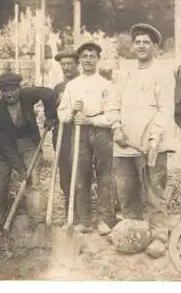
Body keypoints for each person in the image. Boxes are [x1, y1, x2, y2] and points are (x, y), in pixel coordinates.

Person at [109, 23, 176, 258]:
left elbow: (166, 108)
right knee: (126, 190)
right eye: (137, 42)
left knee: (154, 191)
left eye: (146, 42)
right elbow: (113, 104)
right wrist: (116, 128)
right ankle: (132, 233)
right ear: (132, 45)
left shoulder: (163, 72)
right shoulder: (124, 72)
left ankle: (159, 236)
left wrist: (154, 137)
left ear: (154, 46)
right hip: (124, 143)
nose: (141, 46)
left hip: (152, 143)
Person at [0, 72, 56, 233]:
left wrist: (50, 116)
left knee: (32, 178)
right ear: (0, 92)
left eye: (12, 90)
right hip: (2, 148)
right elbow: (6, 146)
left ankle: (37, 220)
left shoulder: (27, 95)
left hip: (27, 141)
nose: (9, 94)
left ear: (18, 89)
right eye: (5, 91)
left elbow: (49, 94)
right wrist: (19, 168)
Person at [57, 42, 116, 235]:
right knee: (80, 176)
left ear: (98, 59)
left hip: (101, 133)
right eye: (84, 56)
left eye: (92, 56)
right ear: (80, 60)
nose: (88, 60)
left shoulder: (107, 85)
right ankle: (84, 220)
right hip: (79, 133)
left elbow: (112, 115)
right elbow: (62, 114)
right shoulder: (72, 86)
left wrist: (91, 120)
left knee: (105, 176)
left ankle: (104, 220)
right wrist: (73, 112)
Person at [52, 50, 80, 223]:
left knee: (80, 168)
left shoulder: (83, 83)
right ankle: (69, 205)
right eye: (63, 64)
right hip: (62, 132)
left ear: (77, 64)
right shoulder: (58, 87)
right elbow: (53, 112)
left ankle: (81, 209)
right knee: (65, 169)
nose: (66, 67)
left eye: (70, 63)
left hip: (79, 131)